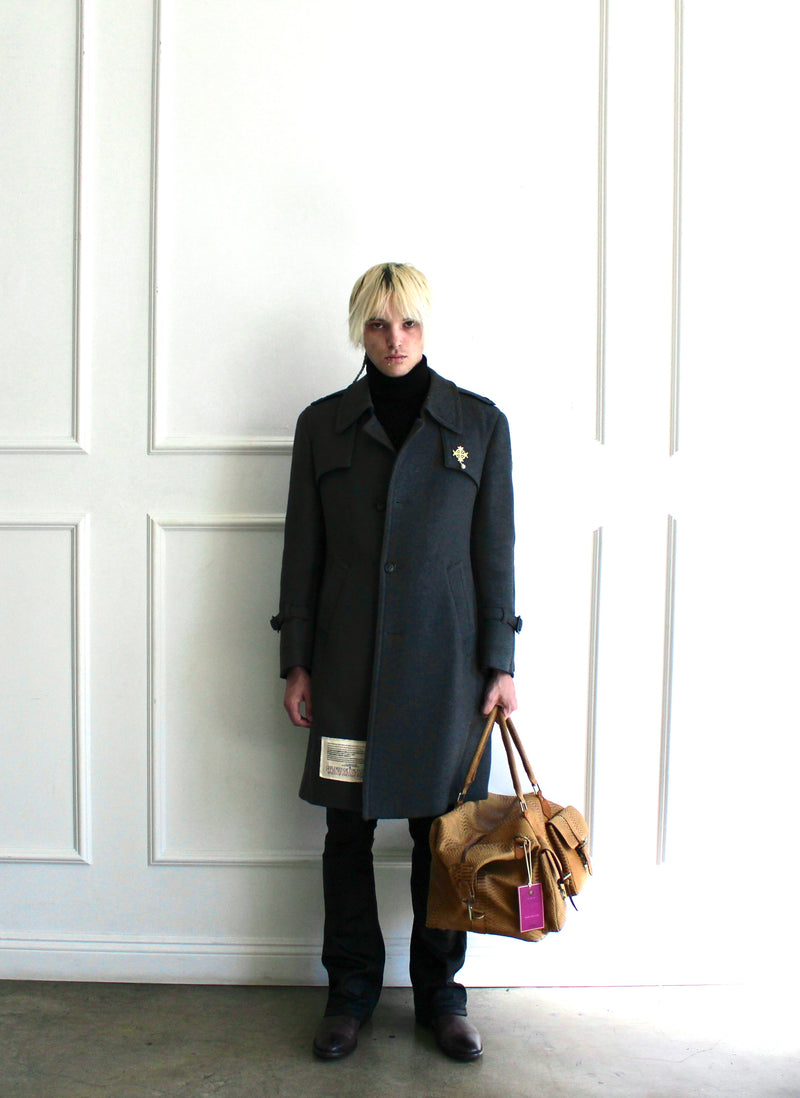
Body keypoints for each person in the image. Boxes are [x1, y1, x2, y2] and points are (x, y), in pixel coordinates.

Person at [271, 262, 520, 1062]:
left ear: (425, 325)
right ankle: (349, 994)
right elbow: (302, 551)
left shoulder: (478, 424)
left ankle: (442, 996)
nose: (394, 339)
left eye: (408, 322)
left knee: (447, 838)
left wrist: (500, 660)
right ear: (360, 329)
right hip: (345, 670)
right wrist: (297, 660)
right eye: (378, 324)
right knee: (346, 834)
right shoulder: (323, 425)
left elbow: (494, 553)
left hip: (447, 675)